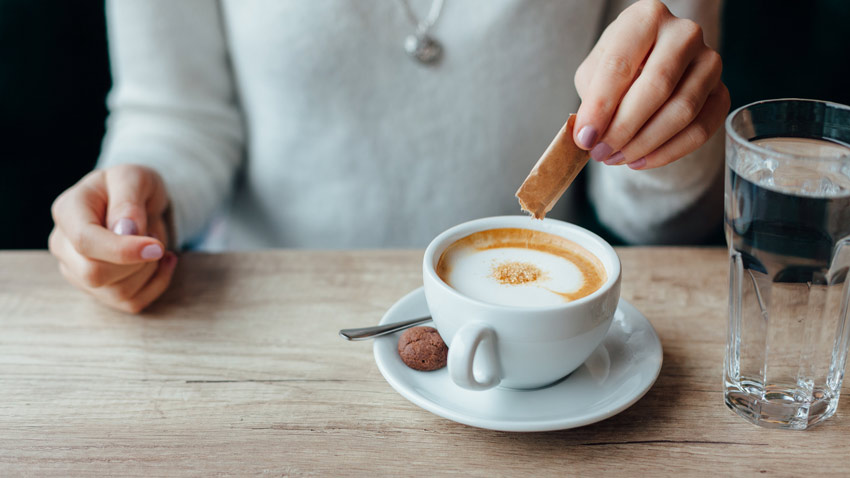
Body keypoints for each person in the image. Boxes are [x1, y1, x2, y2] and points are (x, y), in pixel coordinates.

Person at [48, 0, 729, 313]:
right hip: (260, 317)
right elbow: (177, 116)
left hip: (533, 339)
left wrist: (667, 136)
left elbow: (659, 228)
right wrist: (137, 210)